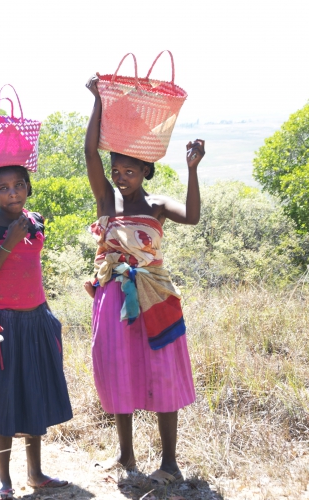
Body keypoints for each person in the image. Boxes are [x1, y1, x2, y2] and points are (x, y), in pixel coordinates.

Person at [84, 74, 205, 485]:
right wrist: (97, 100)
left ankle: (169, 462)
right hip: (114, 298)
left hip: (154, 296)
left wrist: (192, 170)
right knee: (119, 371)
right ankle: (126, 455)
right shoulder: (107, 201)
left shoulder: (157, 206)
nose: (120, 177)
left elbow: (192, 217)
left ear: (146, 171)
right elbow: (89, 152)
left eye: (130, 171)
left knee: (162, 372)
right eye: (116, 170)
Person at [0, 164, 73, 500]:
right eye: (3, 188)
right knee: (4, 399)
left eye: (18, 186)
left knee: (33, 394)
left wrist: (22, 232)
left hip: (37, 317)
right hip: (4, 322)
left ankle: (36, 473)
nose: (12, 193)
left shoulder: (35, 219)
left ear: (27, 188)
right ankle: (4, 479)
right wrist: (10, 241)